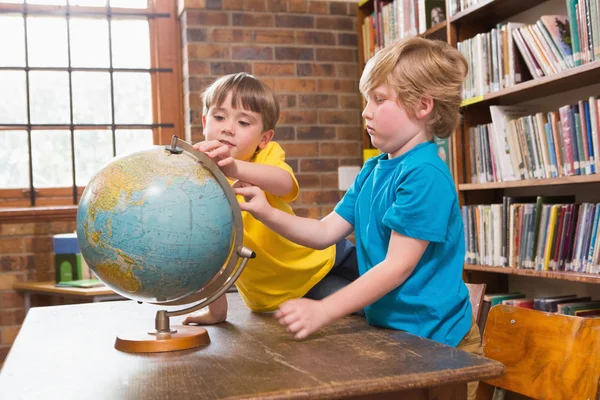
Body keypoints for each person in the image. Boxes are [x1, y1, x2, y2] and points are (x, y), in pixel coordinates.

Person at [233, 37, 483, 400]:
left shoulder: (425, 173)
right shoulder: (373, 170)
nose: (366, 111)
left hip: (441, 342)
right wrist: (267, 212)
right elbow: (324, 232)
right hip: (395, 336)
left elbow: (396, 267)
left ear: (423, 106)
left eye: (379, 100)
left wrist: (324, 310)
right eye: (367, 99)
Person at [182, 72, 359, 325]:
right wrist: (215, 312)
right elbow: (207, 253)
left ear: (264, 139)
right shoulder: (196, 183)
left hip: (325, 255)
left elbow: (285, 183)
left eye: (243, 123)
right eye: (219, 117)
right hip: (284, 297)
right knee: (369, 309)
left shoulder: (265, 157)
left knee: (395, 285)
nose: (228, 128)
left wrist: (236, 169)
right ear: (204, 122)